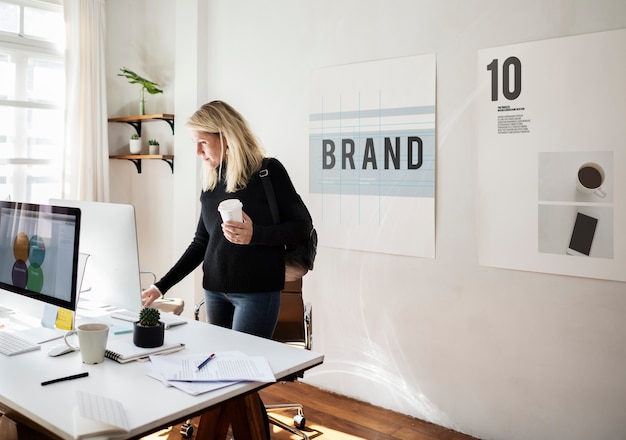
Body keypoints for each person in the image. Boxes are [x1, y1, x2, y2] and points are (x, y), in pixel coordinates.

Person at [141, 100, 312, 339]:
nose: (197, 152)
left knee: (244, 369)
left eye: (203, 143)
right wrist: (161, 286)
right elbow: (201, 242)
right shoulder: (212, 181)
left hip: (257, 293)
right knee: (219, 366)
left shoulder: (268, 172)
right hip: (213, 292)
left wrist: (256, 235)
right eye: (195, 143)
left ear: (226, 137)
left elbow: (302, 227)